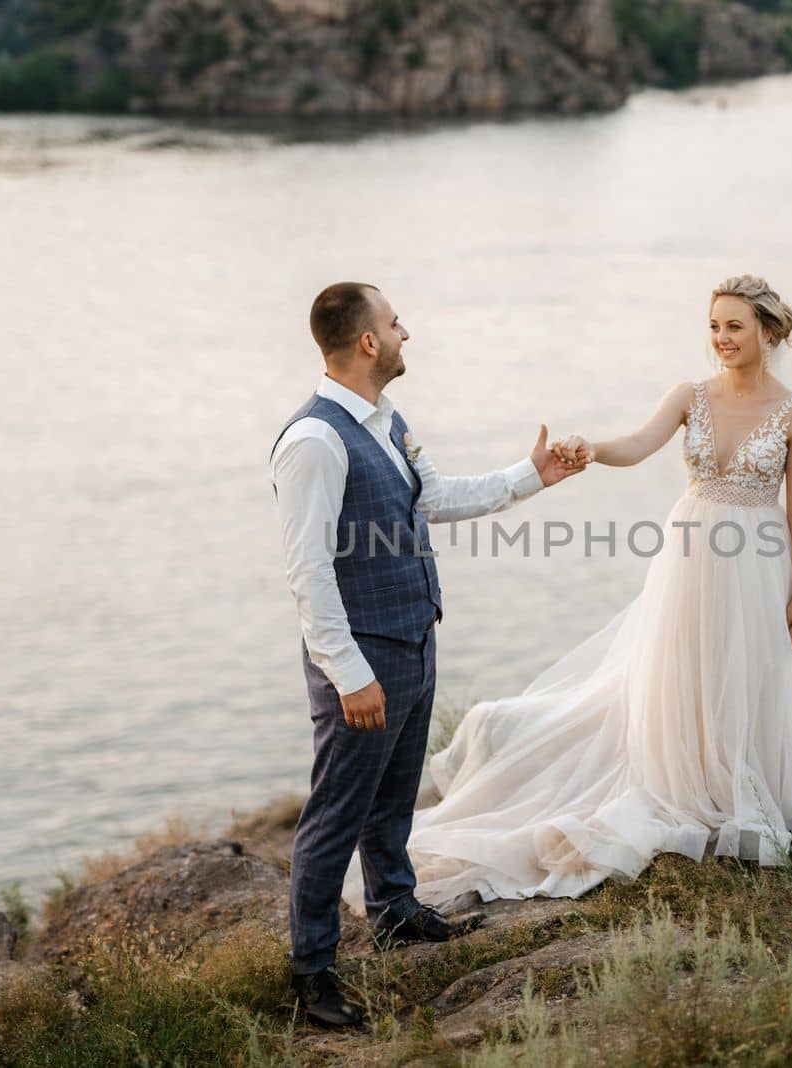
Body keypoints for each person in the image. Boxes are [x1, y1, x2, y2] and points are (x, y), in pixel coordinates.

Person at [375, 274, 792, 915]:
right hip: (691, 556)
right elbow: (638, 443)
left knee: (752, 671)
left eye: (735, 327)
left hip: (759, 560)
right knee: (687, 670)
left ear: (767, 332)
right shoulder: (691, 394)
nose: (721, 339)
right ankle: (690, 780)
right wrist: (591, 449)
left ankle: (745, 785)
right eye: (714, 326)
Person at [269, 282, 587, 1029]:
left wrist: (530, 477)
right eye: (394, 322)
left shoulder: (386, 421)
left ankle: (393, 911)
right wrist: (350, 674)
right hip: (363, 656)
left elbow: (433, 498)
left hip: (414, 634)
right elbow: (307, 572)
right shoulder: (313, 442)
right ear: (368, 343)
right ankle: (311, 972)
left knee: (393, 797)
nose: (407, 331)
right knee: (335, 815)